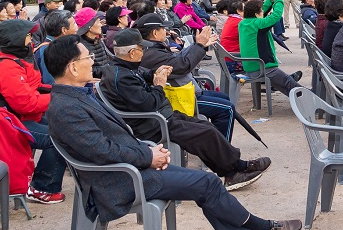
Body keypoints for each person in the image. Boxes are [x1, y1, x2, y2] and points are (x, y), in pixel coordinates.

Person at [43, 37, 301, 230]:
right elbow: (101, 150)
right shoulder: (67, 108)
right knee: (207, 181)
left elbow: (109, 141)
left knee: (205, 183)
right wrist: (148, 155)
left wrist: (147, 149)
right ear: (73, 67)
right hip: (119, 181)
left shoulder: (74, 98)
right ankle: (261, 229)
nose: (92, 61)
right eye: (87, 57)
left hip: (130, 169)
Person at [101, 28, 270, 190]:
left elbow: (141, 75)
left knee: (207, 127)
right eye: (141, 49)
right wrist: (159, 86)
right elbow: (148, 103)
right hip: (152, 124)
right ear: (131, 53)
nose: (144, 52)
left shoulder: (120, 67)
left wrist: (155, 74)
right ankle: (233, 172)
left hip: (160, 116)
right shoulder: (121, 77)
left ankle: (235, 168)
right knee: (205, 133)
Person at [0, 18, 67, 204]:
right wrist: (57, 97)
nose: (30, 38)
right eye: (27, 35)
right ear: (15, 39)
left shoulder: (15, 59)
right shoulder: (6, 66)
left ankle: (45, 181)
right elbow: (26, 103)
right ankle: (43, 188)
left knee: (67, 127)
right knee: (60, 138)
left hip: (20, 117)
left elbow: (31, 87)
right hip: (13, 122)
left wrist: (60, 89)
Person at [237, 0, 302, 97]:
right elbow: (275, 16)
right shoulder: (258, 24)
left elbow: (260, 12)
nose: (263, 12)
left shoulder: (244, 23)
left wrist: (271, 1)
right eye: (261, 11)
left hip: (251, 66)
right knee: (287, 82)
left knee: (286, 82)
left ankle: (300, 96)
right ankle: (308, 97)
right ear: (257, 14)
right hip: (262, 67)